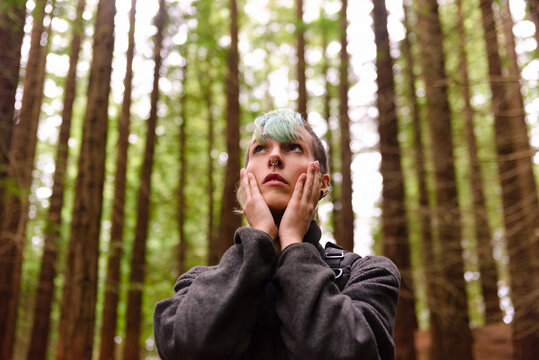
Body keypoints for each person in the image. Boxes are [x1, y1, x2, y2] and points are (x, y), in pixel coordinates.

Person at [153, 109, 400, 360]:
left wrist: (293, 241)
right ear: (246, 177)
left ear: (323, 183)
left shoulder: (368, 275)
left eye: (293, 147)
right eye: (259, 149)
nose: (274, 157)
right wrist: (259, 236)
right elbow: (187, 346)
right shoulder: (197, 282)